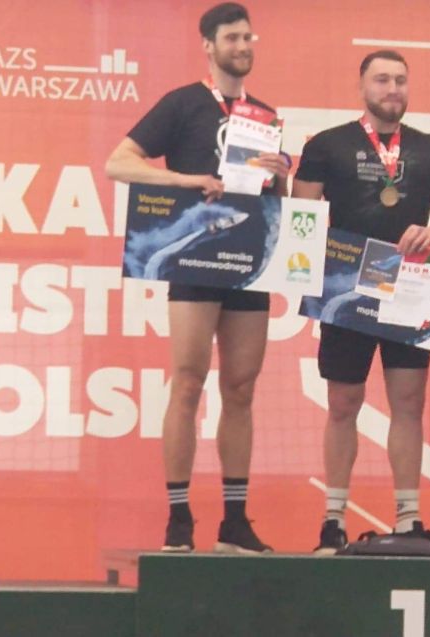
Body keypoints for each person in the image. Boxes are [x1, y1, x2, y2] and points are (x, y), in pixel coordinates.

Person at [105, 2, 289, 554]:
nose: (243, 46)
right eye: (232, 38)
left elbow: (272, 203)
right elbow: (119, 162)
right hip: (193, 258)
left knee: (241, 388)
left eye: (248, 38)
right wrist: (186, 181)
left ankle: (234, 521)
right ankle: (179, 518)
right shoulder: (182, 103)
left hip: (247, 261)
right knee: (187, 382)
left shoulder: (264, 116)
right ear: (208, 45)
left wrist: (281, 175)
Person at [293, 50, 430, 554]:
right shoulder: (327, 145)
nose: (392, 89)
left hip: (410, 287)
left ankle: (409, 519)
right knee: (343, 403)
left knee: (408, 404)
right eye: (382, 79)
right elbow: (300, 214)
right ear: (362, 86)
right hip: (347, 289)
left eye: (400, 80)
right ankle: (333, 520)